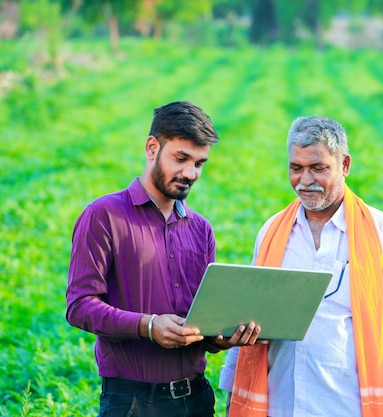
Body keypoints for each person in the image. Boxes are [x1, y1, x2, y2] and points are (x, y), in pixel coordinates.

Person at [219, 116, 383, 417]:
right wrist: (232, 393)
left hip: (348, 405)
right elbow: (251, 312)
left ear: (344, 165)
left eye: (318, 168)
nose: (305, 181)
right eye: (296, 168)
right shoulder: (273, 231)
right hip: (282, 403)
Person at [66, 101, 263, 417]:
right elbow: (79, 306)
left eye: (199, 164)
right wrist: (148, 325)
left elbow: (200, 321)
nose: (190, 173)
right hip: (132, 402)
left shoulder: (201, 229)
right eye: (181, 159)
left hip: (197, 398)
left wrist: (223, 336)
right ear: (152, 147)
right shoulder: (103, 215)